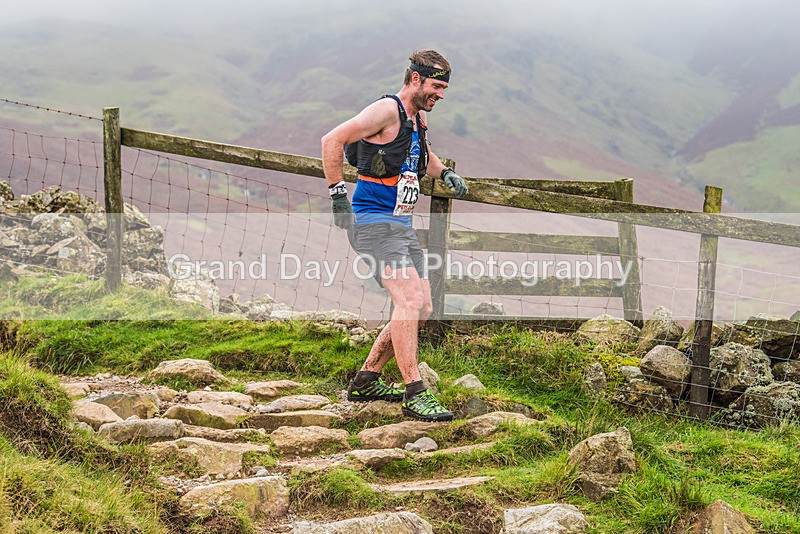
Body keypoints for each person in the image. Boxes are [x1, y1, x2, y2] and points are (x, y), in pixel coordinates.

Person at [321, 49, 468, 422]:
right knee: (408, 301)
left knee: (424, 307)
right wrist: (338, 195)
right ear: (415, 79)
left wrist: (444, 174)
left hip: (400, 226)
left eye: (444, 88)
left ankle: (368, 378)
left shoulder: (416, 120)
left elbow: (420, 157)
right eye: (436, 86)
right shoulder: (387, 110)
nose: (441, 95)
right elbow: (332, 140)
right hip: (374, 224)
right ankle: (415, 390)